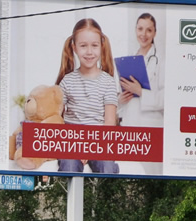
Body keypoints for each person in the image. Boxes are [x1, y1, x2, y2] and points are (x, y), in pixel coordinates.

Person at [54, 18, 119, 174]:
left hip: (99, 140)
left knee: (107, 167)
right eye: (83, 46)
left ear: (102, 47)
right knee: (69, 165)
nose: (89, 52)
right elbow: (57, 117)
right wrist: (75, 147)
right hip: (71, 140)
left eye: (94, 46)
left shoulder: (108, 82)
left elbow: (109, 122)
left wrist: (92, 148)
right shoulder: (67, 81)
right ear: (74, 47)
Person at [118, 13, 163, 173]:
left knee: (150, 174)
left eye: (148, 30)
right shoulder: (129, 60)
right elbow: (121, 101)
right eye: (140, 29)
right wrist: (121, 99)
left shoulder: (160, 61)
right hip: (130, 126)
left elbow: (167, 99)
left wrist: (140, 92)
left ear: (155, 33)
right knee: (129, 172)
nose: (143, 34)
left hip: (150, 128)